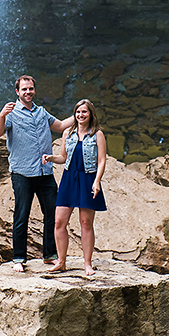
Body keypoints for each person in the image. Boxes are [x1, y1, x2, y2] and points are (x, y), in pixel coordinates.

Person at [0, 75, 71, 272]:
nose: (28, 92)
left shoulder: (42, 112)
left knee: (52, 214)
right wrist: (1, 115)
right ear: (17, 92)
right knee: (22, 215)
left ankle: (50, 255)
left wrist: (83, 111)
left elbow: (61, 126)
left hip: (45, 172)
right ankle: (18, 258)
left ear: (34, 90)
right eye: (24, 89)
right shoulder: (11, 113)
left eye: (31, 89)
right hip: (22, 173)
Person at [49, 99, 106, 276]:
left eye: (85, 112)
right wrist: (51, 158)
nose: (81, 115)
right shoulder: (68, 133)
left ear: (91, 115)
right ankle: (61, 262)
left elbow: (102, 160)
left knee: (86, 223)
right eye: (78, 112)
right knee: (59, 221)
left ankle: (87, 264)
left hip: (88, 178)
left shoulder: (97, 134)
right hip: (69, 178)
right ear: (74, 114)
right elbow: (63, 157)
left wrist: (96, 181)